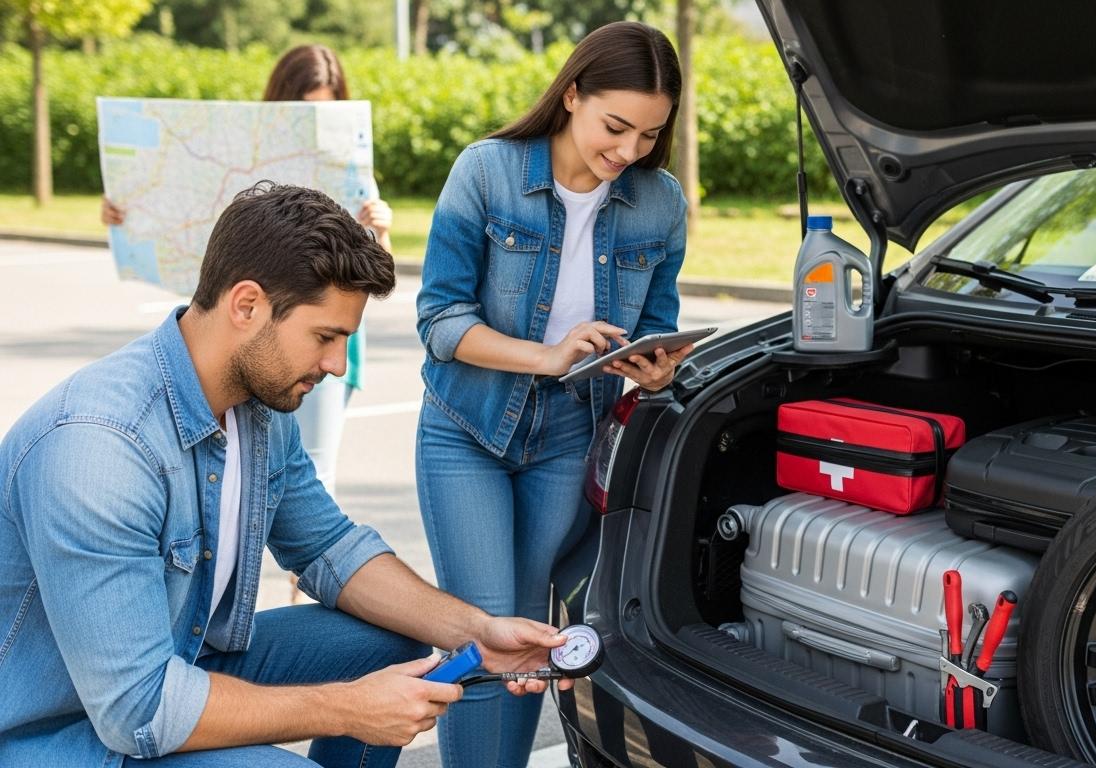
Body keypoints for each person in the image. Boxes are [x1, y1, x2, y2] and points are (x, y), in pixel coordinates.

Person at [0, 182, 571, 768]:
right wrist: (348, 708)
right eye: (325, 337)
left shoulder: (258, 408)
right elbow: (139, 711)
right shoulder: (100, 449)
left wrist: (477, 632)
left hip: (175, 662)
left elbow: (329, 547)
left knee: (393, 644)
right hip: (61, 732)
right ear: (246, 305)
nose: (336, 365)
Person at [414, 20, 690, 768]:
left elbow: (655, 328)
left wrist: (656, 370)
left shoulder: (660, 203)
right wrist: (547, 355)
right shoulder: (487, 172)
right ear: (572, 95)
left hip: (570, 436)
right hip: (467, 430)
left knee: (531, 632)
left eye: (649, 135)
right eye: (615, 127)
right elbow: (439, 321)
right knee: (483, 629)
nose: (628, 151)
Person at [102, 43, 386, 502]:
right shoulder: (247, 160)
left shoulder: (354, 174)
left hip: (309, 323)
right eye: (304, 109)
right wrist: (132, 211)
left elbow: (373, 275)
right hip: (268, 329)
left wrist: (380, 230)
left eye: (327, 110)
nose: (314, 122)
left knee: (309, 472)